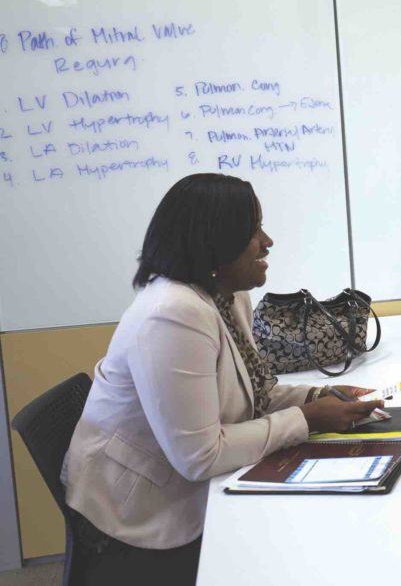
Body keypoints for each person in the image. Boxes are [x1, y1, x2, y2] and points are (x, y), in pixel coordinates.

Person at [63, 174, 383, 584]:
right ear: (214, 242)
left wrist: (320, 395)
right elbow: (200, 456)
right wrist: (309, 419)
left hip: (182, 492)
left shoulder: (225, 294)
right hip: (138, 523)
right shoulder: (171, 314)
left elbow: (257, 393)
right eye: (253, 231)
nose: (267, 242)